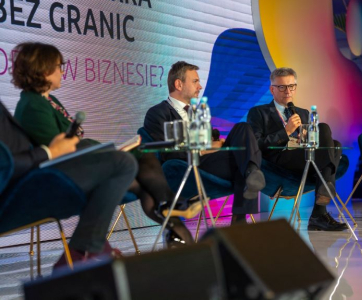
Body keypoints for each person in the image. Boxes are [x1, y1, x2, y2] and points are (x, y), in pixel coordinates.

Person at [11, 42, 199, 247]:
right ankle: (171, 207)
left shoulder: (47, 100)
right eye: (58, 66)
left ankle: (169, 208)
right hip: (63, 173)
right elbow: (58, 150)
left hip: (80, 161)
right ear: (44, 70)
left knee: (141, 153)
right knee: (140, 178)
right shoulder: (32, 105)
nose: (62, 71)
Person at [0, 100, 137, 269]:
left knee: (119, 161)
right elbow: (5, 164)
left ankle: (89, 249)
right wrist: (50, 152)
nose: (61, 72)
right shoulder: (31, 105)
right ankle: (85, 251)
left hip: (28, 178)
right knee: (121, 163)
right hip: (14, 192)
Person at [144, 61, 265, 224]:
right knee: (243, 157)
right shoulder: (158, 113)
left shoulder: (199, 112)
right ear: (179, 84)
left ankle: (251, 172)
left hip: (211, 161)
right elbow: (168, 152)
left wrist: (215, 144)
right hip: (186, 166)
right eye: (195, 81)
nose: (200, 86)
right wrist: (202, 150)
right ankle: (240, 214)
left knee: (242, 128)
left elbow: (208, 142)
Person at [247, 67, 347, 231]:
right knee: (334, 148)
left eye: (291, 86)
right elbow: (257, 144)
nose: (288, 91)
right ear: (272, 89)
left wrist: (306, 140)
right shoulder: (259, 112)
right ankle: (321, 206)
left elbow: (313, 143)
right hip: (278, 161)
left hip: (304, 157)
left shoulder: (303, 113)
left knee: (326, 132)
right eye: (282, 87)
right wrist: (286, 131)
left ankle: (320, 206)